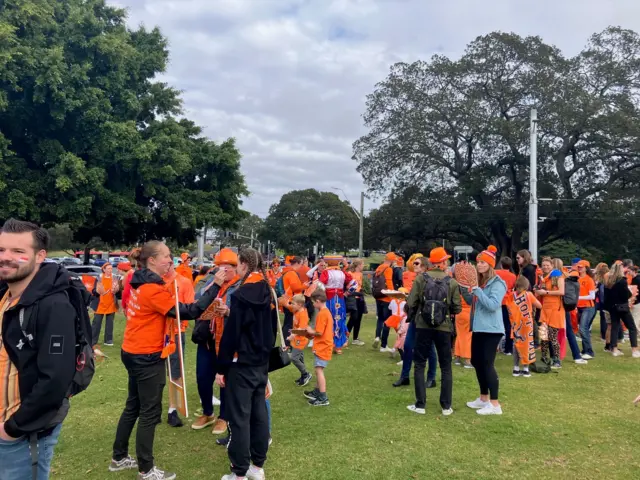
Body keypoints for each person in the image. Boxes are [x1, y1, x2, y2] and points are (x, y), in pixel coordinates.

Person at [110, 241, 224, 480]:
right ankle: (146, 469)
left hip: (133, 351)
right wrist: (215, 286)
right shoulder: (151, 290)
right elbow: (189, 311)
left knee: (133, 405)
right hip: (145, 355)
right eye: (166, 256)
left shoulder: (144, 282)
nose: (170, 261)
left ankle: (119, 457)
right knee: (149, 412)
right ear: (151, 260)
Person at [0, 219, 78, 479]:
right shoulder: (5, 296)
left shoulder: (54, 306)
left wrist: (13, 428)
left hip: (20, 437)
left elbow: (54, 381)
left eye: (18, 252)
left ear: (40, 256)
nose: (6, 258)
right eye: (1, 250)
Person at [216, 248, 275, 480]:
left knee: (239, 418)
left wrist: (221, 368)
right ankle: (257, 466)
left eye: (237, 264)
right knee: (258, 414)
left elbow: (232, 334)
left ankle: (240, 472)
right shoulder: (267, 289)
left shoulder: (241, 294)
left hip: (241, 363)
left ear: (243, 264)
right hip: (260, 362)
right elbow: (267, 328)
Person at [406, 247, 461, 416]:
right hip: (443, 327)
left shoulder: (421, 279)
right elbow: (457, 308)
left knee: (420, 364)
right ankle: (446, 406)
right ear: (443, 263)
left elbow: (411, 302)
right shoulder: (451, 282)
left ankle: (420, 404)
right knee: (445, 366)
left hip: (423, 325)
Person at [192, 248, 241, 437]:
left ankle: (224, 416)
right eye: (221, 267)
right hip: (206, 339)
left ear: (236, 269)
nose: (225, 271)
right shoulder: (208, 282)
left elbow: (243, 313)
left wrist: (228, 311)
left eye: (229, 267)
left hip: (226, 341)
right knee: (203, 377)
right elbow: (196, 301)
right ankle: (208, 412)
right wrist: (213, 284)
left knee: (224, 380)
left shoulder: (240, 286)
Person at [463, 246, 507, 416]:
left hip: (492, 329)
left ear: (490, 265)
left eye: (483, 262)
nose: (479, 265)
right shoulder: (480, 283)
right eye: (478, 262)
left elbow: (492, 305)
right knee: (476, 361)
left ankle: (495, 404)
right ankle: (483, 398)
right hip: (478, 327)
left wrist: (477, 290)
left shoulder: (498, 283)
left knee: (487, 364)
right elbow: (472, 301)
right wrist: (466, 289)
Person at [394, 256, 438, 388]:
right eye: (414, 263)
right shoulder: (417, 279)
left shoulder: (429, 280)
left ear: (425, 266)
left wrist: (410, 301)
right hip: (415, 317)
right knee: (407, 346)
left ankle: (431, 377)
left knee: (429, 348)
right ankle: (405, 376)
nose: (415, 266)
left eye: (418, 264)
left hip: (425, 318)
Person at [163, 263, 195, 428]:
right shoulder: (155, 281)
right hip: (156, 333)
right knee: (154, 372)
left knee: (175, 372)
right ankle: (151, 409)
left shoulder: (183, 282)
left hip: (175, 332)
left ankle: (173, 409)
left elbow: (189, 308)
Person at [506, 276, 541, 377]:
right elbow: (539, 305)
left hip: (516, 325)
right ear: (527, 285)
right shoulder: (528, 295)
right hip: (527, 325)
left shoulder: (511, 295)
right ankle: (525, 369)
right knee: (527, 346)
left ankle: (516, 368)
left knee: (516, 346)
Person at [303, 290, 333, 406]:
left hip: (323, 346)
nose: (313, 305)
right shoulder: (325, 312)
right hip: (323, 345)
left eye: (313, 303)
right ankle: (317, 391)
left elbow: (319, 332)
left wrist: (310, 330)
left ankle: (323, 397)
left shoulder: (322, 314)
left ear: (318, 301)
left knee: (319, 370)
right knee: (318, 369)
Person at [604, 261, 639, 358]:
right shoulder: (622, 281)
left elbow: (606, 296)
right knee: (632, 327)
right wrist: (630, 292)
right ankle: (634, 349)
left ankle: (614, 349)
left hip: (612, 307)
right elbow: (626, 295)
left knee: (615, 327)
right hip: (622, 306)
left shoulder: (609, 281)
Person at [535, 258, 565, 368]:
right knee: (543, 336)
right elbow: (541, 293)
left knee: (552, 337)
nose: (545, 267)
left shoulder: (557, 275)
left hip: (555, 310)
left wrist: (545, 292)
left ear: (552, 265)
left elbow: (562, 292)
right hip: (545, 309)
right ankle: (544, 358)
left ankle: (557, 360)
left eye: (547, 265)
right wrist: (538, 291)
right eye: (543, 265)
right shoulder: (544, 277)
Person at [318, 256, 352, 354]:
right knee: (339, 318)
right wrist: (347, 293)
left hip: (329, 299)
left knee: (329, 319)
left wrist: (323, 294)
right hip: (340, 299)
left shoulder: (326, 273)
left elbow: (320, 285)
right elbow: (354, 283)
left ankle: (329, 343)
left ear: (327, 263)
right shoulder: (342, 273)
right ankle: (338, 346)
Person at [91, 262, 120, 356]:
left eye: (111, 268)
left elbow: (118, 291)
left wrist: (115, 290)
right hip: (100, 304)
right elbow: (93, 291)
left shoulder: (115, 277)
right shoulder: (98, 278)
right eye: (108, 269)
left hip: (111, 303)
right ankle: (93, 340)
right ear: (104, 269)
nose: (110, 270)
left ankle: (108, 340)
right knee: (97, 322)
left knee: (110, 323)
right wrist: (98, 291)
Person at [286, 294, 312, 386]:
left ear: (300, 305)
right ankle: (303, 375)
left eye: (293, 304)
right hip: (296, 339)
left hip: (300, 340)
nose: (292, 305)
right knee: (300, 358)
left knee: (294, 358)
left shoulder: (303, 314)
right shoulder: (296, 311)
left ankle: (306, 374)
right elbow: (288, 306)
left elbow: (301, 329)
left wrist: (292, 335)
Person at [373, 253, 397, 352]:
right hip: (386, 297)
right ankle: (384, 345)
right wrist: (392, 296)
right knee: (387, 321)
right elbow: (389, 282)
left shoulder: (379, 267)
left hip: (378, 296)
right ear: (392, 260)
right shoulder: (389, 269)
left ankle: (377, 336)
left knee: (380, 319)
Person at [279, 257, 305, 347]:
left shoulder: (287, 272)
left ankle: (286, 342)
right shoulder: (292, 273)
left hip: (288, 300)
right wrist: (305, 286)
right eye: (302, 264)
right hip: (291, 301)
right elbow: (296, 288)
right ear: (297, 263)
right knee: (289, 323)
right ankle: (286, 343)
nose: (302, 266)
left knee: (288, 322)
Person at [495, 257, 517, 355]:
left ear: (501, 264)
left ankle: (495, 346)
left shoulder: (496, 273)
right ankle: (508, 348)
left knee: (496, 324)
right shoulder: (513, 276)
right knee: (508, 326)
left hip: (497, 300)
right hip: (508, 301)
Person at [576, 260, 597, 359]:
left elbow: (592, 296)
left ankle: (589, 351)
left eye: (582, 267)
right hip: (579, 307)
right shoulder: (576, 278)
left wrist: (578, 298)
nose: (579, 268)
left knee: (583, 329)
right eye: (579, 267)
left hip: (588, 307)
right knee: (583, 330)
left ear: (586, 268)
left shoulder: (589, 280)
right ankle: (585, 350)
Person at [346, 259, 366, 346]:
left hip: (359, 298)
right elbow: (348, 287)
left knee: (359, 318)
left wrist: (361, 292)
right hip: (352, 298)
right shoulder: (350, 274)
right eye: (362, 264)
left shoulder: (360, 274)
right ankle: (345, 335)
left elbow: (360, 286)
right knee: (353, 318)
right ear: (358, 265)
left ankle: (355, 338)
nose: (363, 266)